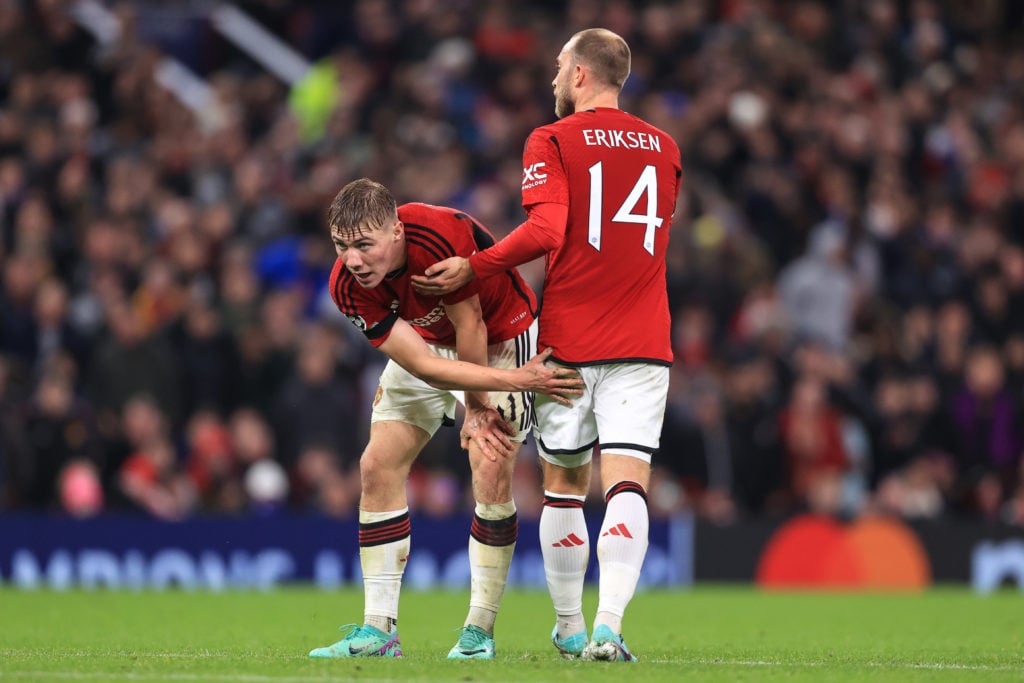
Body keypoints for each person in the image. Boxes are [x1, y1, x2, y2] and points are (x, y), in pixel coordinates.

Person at [413, 28, 682, 662]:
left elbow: (547, 227)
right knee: (628, 485)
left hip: (569, 342)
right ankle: (609, 627)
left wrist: (476, 266)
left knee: (563, 484)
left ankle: (568, 624)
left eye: (560, 67)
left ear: (584, 75)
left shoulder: (551, 139)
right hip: (644, 340)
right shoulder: (666, 148)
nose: (553, 79)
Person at [307, 178, 582, 660]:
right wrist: (512, 388)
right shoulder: (344, 285)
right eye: (342, 246)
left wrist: (477, 404)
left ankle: (479, 630)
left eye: (364, 245)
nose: (353, 260)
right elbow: (425, 364)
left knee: (491, 470)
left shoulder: (435, 236)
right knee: (376, 466)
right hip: (428, 346)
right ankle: (378, 630)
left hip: (497, 339)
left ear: (395, 231)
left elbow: (470, 324)